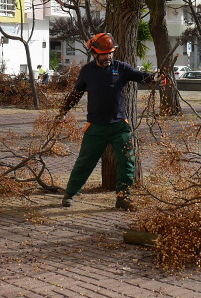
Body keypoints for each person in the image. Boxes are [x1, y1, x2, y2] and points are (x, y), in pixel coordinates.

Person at [59, 33, 158, 210]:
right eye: (104, 53)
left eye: (110, 53)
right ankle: (70, 193)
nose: (108, 56)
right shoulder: (87, 71)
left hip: (120, 125)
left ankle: (123, 198)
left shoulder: (121, 68)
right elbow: (76, 93)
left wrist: (154, 78)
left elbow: (140, 75)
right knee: (84, 162)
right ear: (94, 53)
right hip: (95, 127)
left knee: (127, 162)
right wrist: (63, 112)